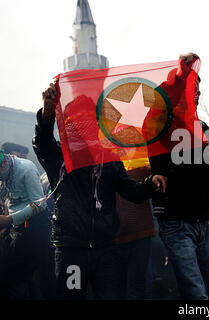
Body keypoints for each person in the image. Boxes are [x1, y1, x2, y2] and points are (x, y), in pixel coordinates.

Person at [33, 80, 164, 300]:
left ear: (96, 124)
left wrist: (152, 182)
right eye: (76, 119)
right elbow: (43, 142)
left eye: (88, 119)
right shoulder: (60, 157)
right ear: (68, 124)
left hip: (106, 250)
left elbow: (132, 192)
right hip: (72, 251)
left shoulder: (110, 158)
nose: (83, 124)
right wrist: (47, 112)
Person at [149, 53, 209, 300]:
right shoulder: (160, 124)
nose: (196, 94)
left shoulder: (203, 128)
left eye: (198, 89)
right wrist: (182, 72)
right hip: (176, 223)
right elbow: (163, 96)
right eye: (191, 88)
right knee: (197, 295)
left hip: (204, 223)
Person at [0, 149, 50, 299]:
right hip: (15, 228)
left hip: (33, 228)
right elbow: (9, 199)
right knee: (24, 280)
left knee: (14, 279)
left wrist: (9, 219)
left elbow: (40, 204)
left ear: (3, 164)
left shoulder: (25, 169)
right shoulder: (5, 173)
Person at [115, 165, 156, 300]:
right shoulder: (105, 165)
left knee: (138, 288)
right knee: (121, 288)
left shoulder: (141, 162)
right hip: (115, 236)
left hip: (140, 232)